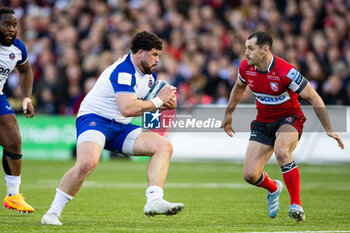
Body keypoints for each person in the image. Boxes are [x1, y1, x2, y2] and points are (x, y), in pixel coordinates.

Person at [41, 31, 184, 225]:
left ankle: (154, 200)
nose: (158, 60)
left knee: (163, 146)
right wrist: (159, 101)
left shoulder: (150, 75)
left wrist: (165, 104)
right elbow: (128, 108)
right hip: (95, 119)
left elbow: (147, 109)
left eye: (158, 55)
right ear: (140, 52)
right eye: (154, 54)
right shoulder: (124, 71)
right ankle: (51, 213)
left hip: (120, 126)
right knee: (87, 163)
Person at [221, 31, 344, 223]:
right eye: (246, 48)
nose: (245, 53)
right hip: (263, 121)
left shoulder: (285, 71)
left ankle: (296, 204)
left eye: (250, 48)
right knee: (250, 175)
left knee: (281, 151)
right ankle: (273, 188)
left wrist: (328, 128)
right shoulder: (246, 67)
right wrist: (229, 113)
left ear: (265, 50)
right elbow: (239, 86)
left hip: (289, 119)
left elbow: (313, 96)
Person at [0, 7, 35, 213]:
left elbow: (25, 69)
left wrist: (27, 97)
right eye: (6, 24)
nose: (11, 29)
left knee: (14, 140)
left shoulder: (18, 49)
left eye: (14, 25)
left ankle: (13, 196)